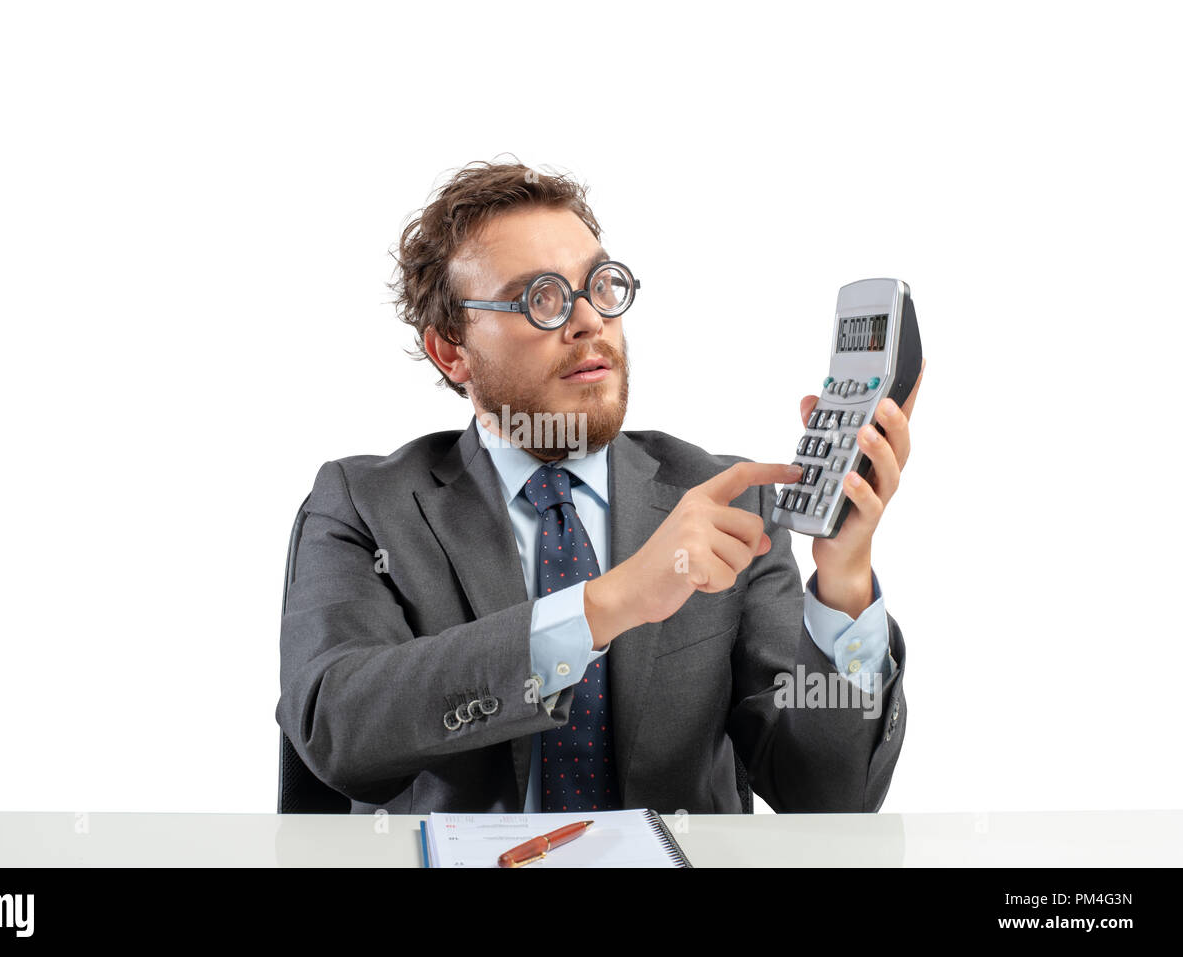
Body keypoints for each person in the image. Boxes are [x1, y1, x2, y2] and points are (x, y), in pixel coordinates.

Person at [276, 160, 922, 814]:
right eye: (543, 298)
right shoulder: (366, 505)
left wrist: (843, 584)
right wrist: (605, 604)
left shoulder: (726, 501)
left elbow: (829, 793)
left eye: (601, 286)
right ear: (452, 351)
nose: (589, 321)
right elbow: (336, 726)